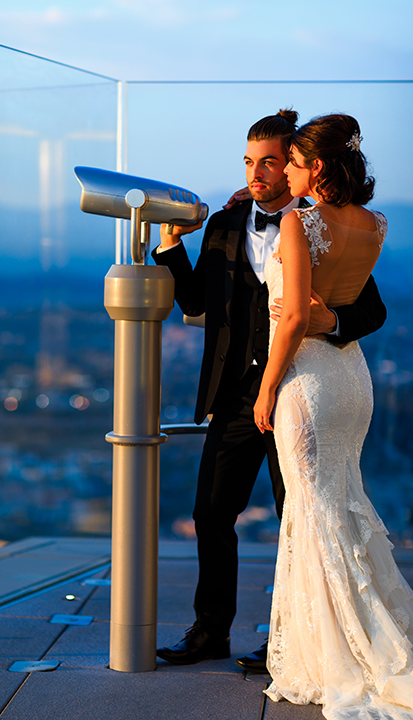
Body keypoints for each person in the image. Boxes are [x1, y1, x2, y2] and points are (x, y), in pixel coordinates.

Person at [152, 110, 386, 670]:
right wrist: (170, 248)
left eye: (270, 162)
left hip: (300, 392)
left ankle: (290, 638)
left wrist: (329, 321)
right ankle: (210, 630)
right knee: (211, 512)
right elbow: (197, 305)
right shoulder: (227, 224)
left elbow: (371, 309)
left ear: (296, 167)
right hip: (237, 395)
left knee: (296, 519)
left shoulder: (323, 224)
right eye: (249, 163)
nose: (257, 174)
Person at [254, 113, 413, 719]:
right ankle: (352, 640)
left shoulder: (299, 222)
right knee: (338, 502)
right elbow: (342, 304)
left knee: (315, 511)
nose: (285, 172)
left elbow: (293, 318)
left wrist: (267, 389)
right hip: (353, 378)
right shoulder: (375, 224)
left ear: (315, 167)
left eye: (291, 163)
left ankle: (338, 653)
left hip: (308, 381)